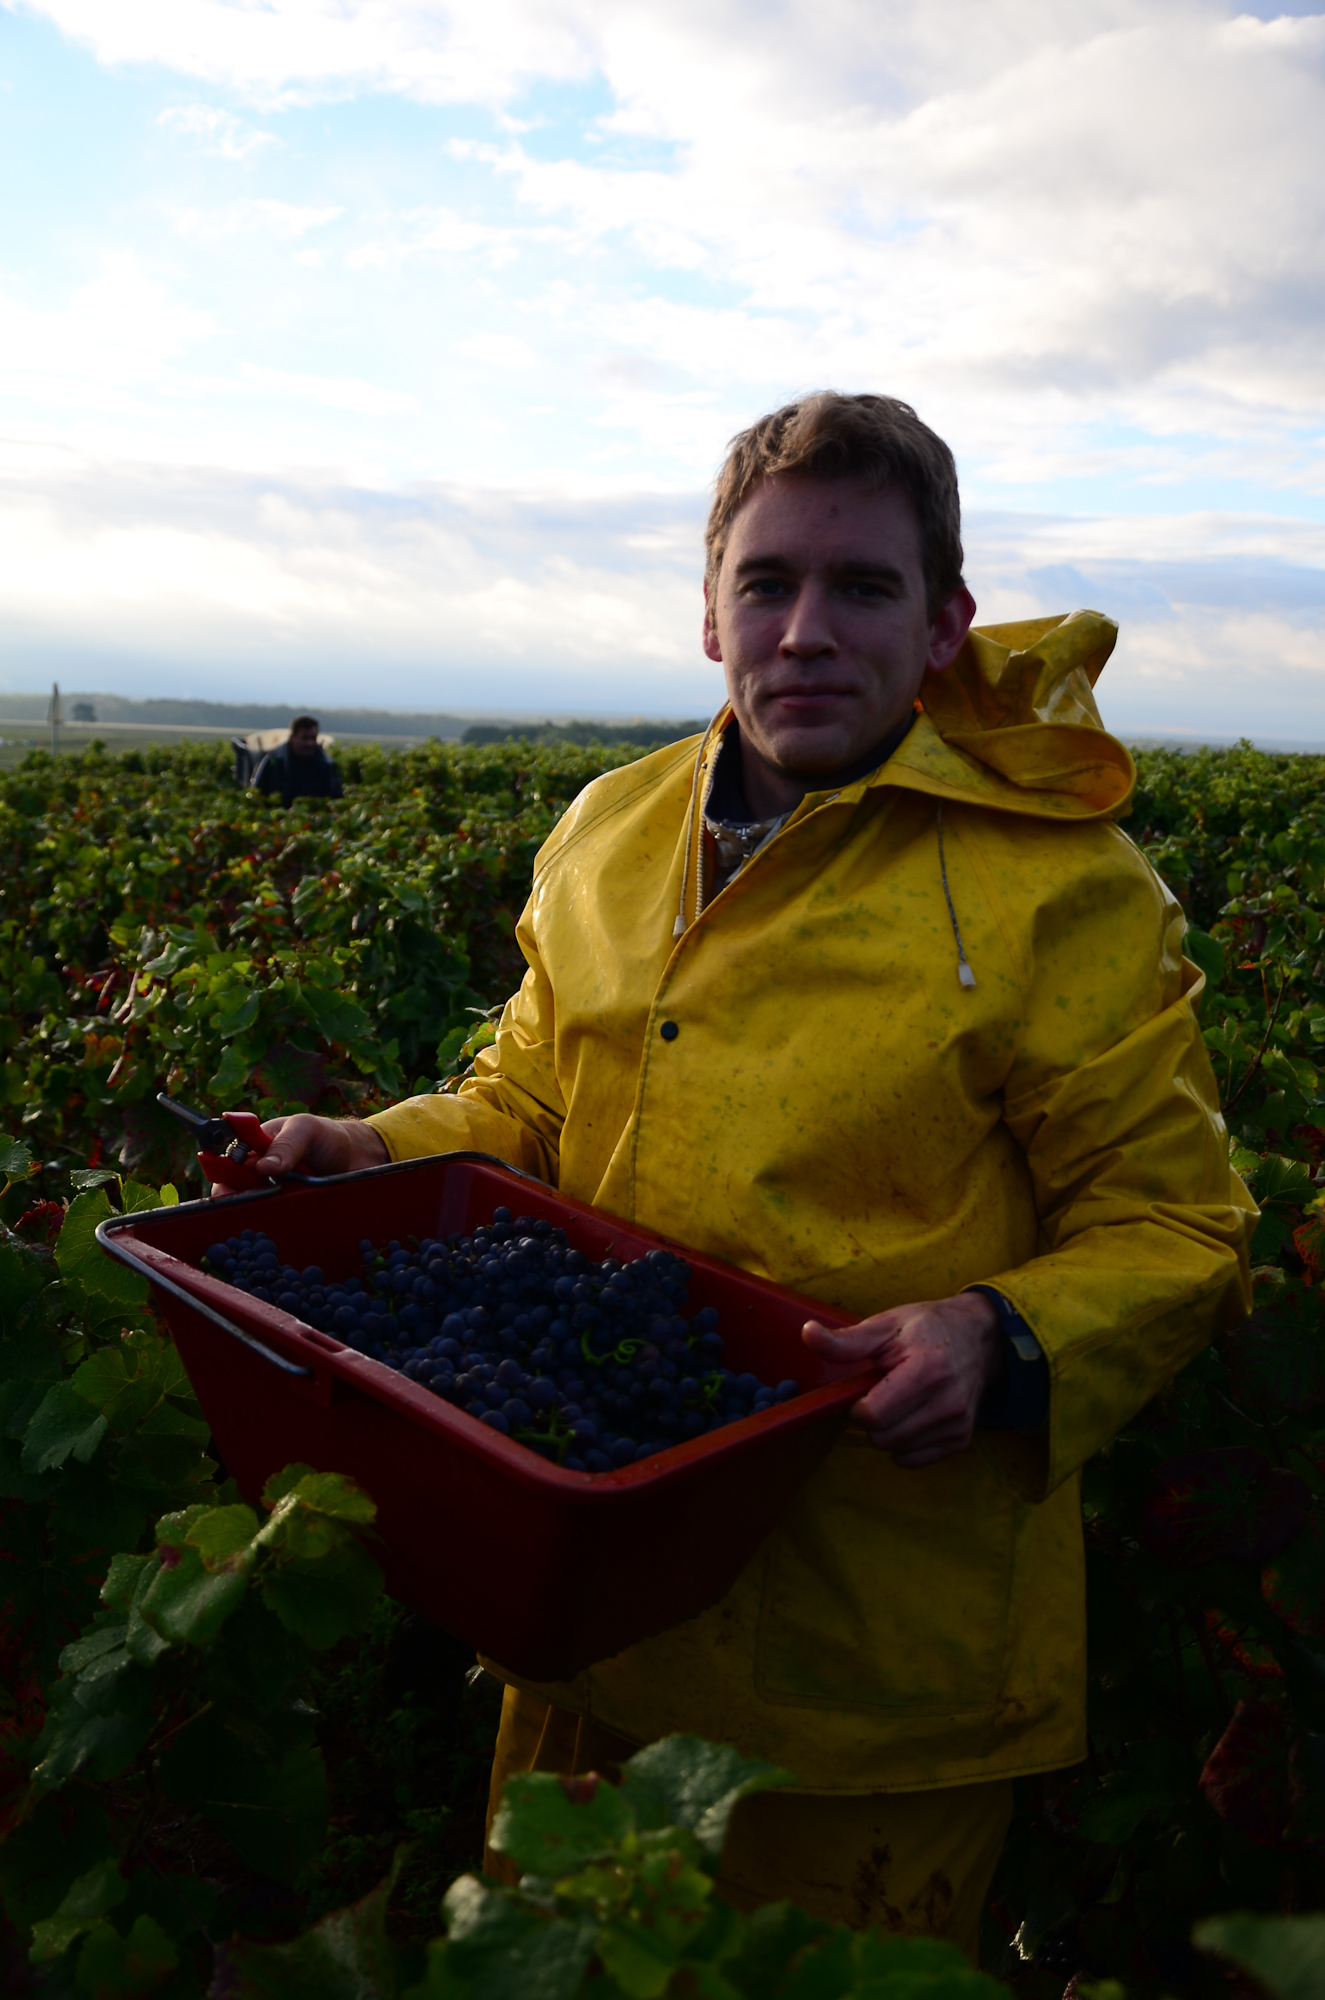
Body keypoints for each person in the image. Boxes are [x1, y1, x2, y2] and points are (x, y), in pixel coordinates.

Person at [224, 394, 1254, 1957]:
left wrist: (999, 1334)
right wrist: (370, 1149)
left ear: (941, 625)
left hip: (866, 1670)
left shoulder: (1063, 894)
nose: (806, 631)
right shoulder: (610, 830)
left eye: (863, 588)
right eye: (767, 585)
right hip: (583, 1602)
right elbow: (527, 1095)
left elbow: (1179, 1228)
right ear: (709, 614)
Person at [253, 715, 343, 806]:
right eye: (304, 738)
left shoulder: (327, 764)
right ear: (292, 738)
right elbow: (257, 795)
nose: (309, 743)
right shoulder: (274, 762)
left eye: (313, 738)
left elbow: (337, 798)